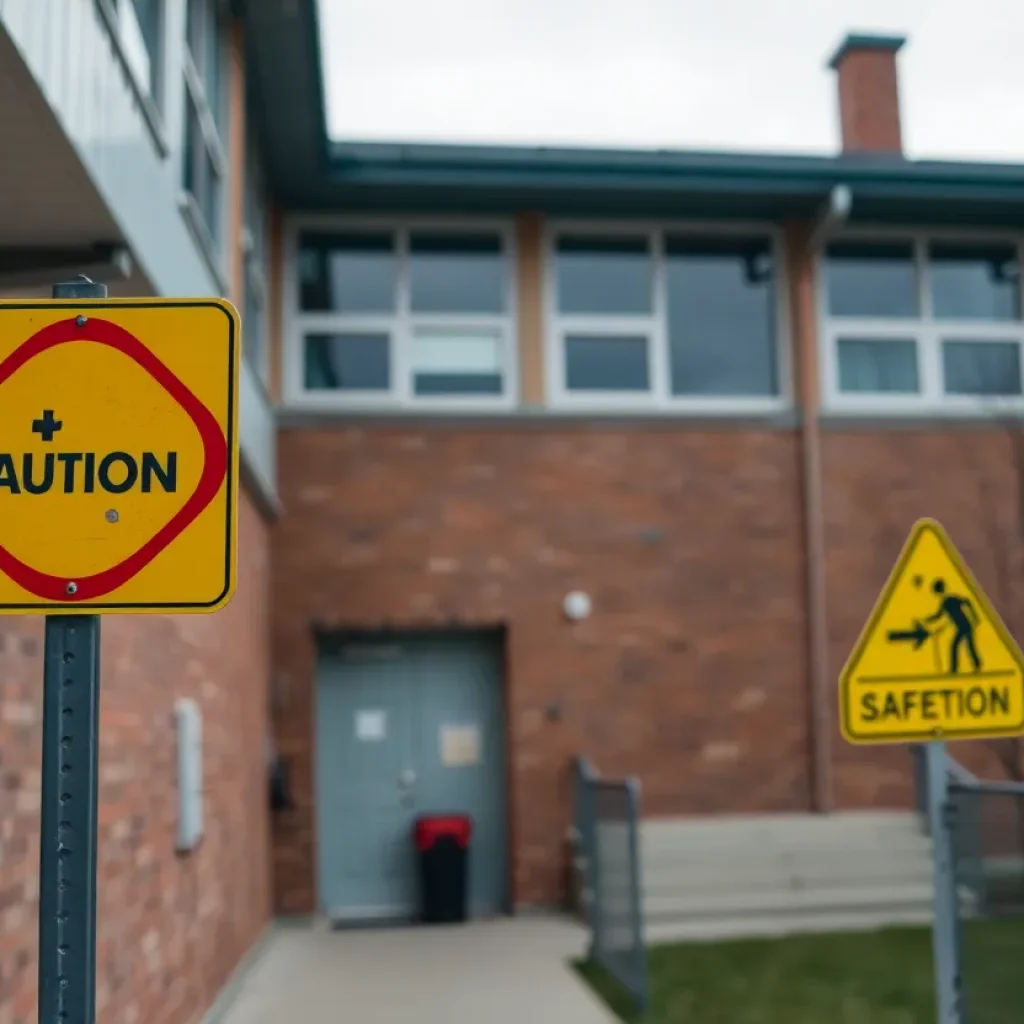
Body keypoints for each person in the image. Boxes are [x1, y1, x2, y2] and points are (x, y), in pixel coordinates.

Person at [924, 578, 982, 674]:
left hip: (965, 626)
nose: (936, 594)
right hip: (962, 627)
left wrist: (975, 617)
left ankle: (956, 669)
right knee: (966, 645)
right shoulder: (944, 603)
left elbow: (968, 601)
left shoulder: (951, 599)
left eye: (936, 591)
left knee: (961, 646)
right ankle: (971, 666)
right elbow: (938, 615)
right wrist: (927, 620)